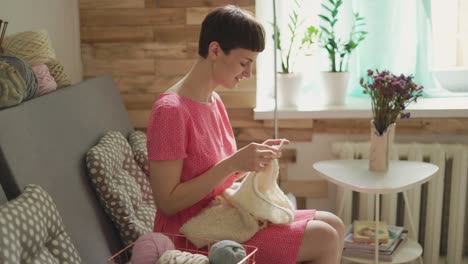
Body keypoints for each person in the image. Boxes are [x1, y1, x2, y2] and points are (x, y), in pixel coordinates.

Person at [146, 5, 345, 264]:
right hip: (189, 234)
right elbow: (167, 203)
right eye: (244, 63)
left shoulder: (213, 101)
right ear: (215, 50)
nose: (249, 74)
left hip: (221, 218)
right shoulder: (170, 111)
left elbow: (218, 176)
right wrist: (232, 164)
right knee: (324, 237)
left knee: (335, 224)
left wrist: (252, 161)